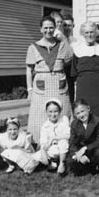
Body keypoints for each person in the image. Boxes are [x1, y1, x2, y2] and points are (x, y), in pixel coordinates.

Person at [26, 16, 73, 144]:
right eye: (45, 28)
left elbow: (70, 58)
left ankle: (63, 144)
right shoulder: (33, 47)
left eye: (51, 27)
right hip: (41, 86)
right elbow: (29, 70)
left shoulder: (62, 45)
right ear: (41, 29)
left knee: (63, 113)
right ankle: (39, 145)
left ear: (55, 28)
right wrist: (29, 89)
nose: (48, 30)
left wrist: (63, 38)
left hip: (59, 83)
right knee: (39, 116)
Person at [70, 21, 99, 121]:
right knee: (84, 115)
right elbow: (74, 73)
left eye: (92, 32)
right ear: (83, 34)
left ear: (96, 33)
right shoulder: (77, 51)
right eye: (87, 32)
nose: (89, 35)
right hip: (83, 90)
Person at [67, 99, 99, 175]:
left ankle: (94, 166)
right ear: (75, 115)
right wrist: (77, 155)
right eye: (78, 113)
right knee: (70, 161)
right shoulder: (74, 124)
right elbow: (72, 143)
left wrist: (85, 149)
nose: (81, 115)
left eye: (82, 111)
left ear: (88, 109)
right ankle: (86, 165)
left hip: (93, 149)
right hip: (80, 151)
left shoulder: (97, 121)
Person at [35, 99, 70, 175]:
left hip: (64, 147)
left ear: (60, 111)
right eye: (50, 112)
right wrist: (43, 151)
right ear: (46, 112)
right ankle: (52, 162)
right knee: (37, 156)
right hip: (52, 149)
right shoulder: (45, 125)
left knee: (62, 142)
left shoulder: (64, 119)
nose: (53, 114)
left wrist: (54, 138)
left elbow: (68, 135)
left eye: (56, 111)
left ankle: (61, 164)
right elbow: (43, 142)